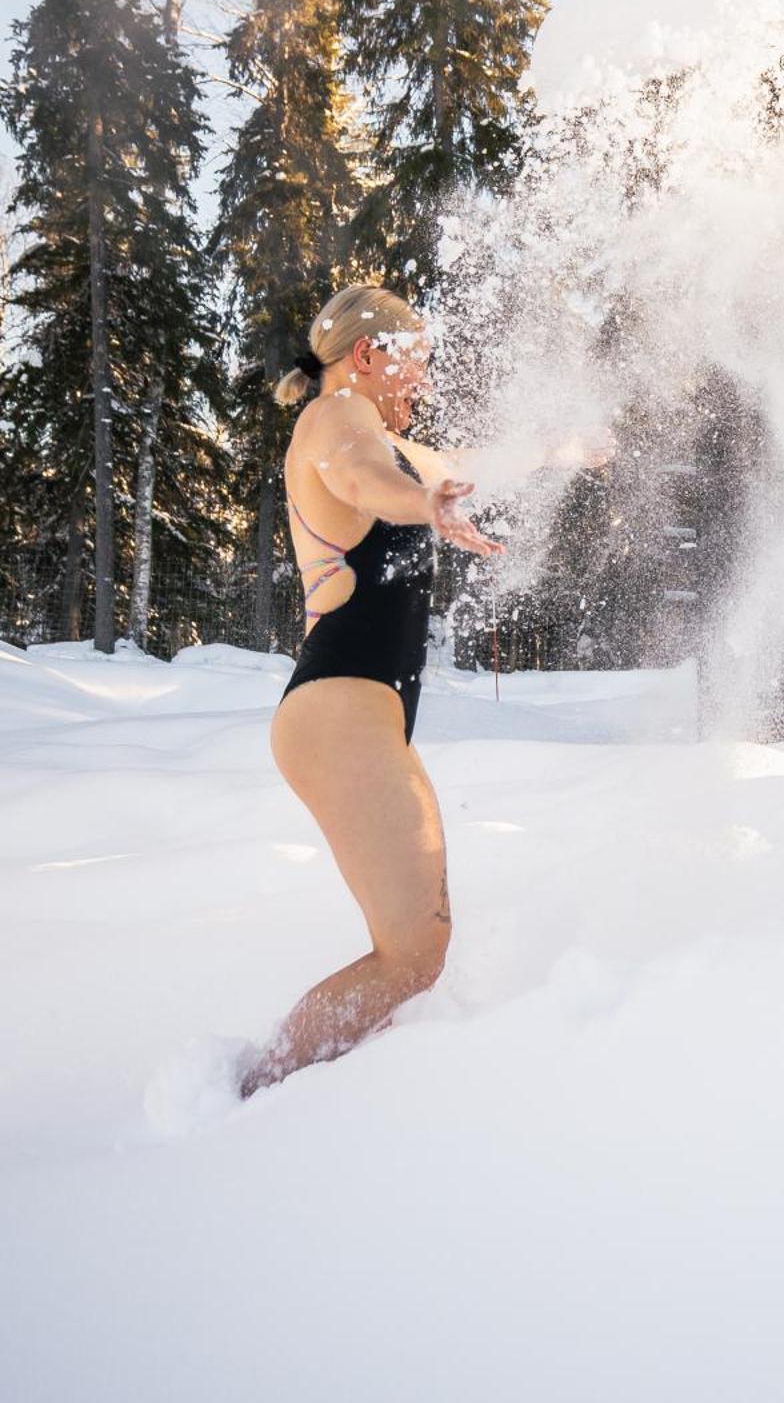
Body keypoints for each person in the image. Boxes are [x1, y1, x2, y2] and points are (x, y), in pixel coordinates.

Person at [241, 284, 611, 1097]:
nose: (424, 384)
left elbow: (459, 466)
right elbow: (364, 477)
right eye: (415, 365)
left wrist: (563, 450)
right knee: (411, 953)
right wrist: (419, 505)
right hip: (339, 710)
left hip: (352, 716)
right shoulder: (337, 419)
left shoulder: (393, 441)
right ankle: (254, 1099)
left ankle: (273, 1091)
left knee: (415, 950)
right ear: (367, 357)